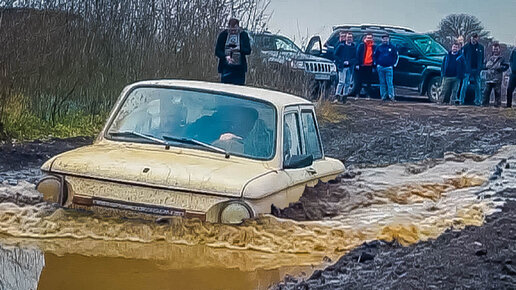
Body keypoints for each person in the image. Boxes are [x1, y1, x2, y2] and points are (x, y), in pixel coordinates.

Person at [215, 18, 251, 85]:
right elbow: (217, 51)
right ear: (228, 27)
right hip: (226, 68)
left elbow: (248, 50)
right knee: (225, 88)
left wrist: (239, 49)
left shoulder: (243, 35)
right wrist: (226, 57)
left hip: (239, 69)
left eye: (235, 30)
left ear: (238, 27)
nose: (233, 32)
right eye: (231, 30)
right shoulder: (223, 35)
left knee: (239, 89)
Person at [349, 33, 376, 99]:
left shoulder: (374, 47)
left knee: (368, 82)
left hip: (370, 66)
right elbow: (357, 55)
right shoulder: (361, 45)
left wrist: (374, 64)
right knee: (358, 81)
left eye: (370, 38)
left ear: (372, 39)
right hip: (361, 65)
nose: (369, 39)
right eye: (368, 38)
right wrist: (357, 64)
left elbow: (376, 56)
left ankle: (368, 95)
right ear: (365, 38)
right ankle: (357, 94)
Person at [460, 33, 484, 105]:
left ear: (477, 38)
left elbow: (482, 58)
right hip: (467, 69)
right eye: (473, 38)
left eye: (475, 38)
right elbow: (463, 58)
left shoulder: (481, 47)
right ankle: (461, 100)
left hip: (477, 69)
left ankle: (478, 101)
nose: (474, 39)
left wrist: (480, 67)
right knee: (464, 85)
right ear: (470, 38)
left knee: (478, 86)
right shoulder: (466, 47)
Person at [483, 43, 509, 107]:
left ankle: (497, 104)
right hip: (489, 77)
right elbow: (484, 65)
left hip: (497, 77)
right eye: (494, 49)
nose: (495, 51)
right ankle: (485, 104)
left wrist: (500, 68)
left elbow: (506, 66)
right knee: (486, 92)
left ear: (499, 49)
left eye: (496, 49)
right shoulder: (489, 57)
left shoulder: (502, 58)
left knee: (497, 92)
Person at [374, 34, 399, 101]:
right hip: (380, 67)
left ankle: (391, 97)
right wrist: (376, 64)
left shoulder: (392, 47)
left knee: (389, 83)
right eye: (384, 38)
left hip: (389, 67)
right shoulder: (379, 47)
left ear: (388, 39)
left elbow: (396, 56)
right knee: (382, 83)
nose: (385, 40)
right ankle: (383, 96)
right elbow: (375, 56)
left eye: (386, 38)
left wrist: (393, 64)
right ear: (381, 39)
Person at [334, 31, 357, 102]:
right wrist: (341, 62)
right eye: (348, 37)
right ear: (345, 38)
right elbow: (335, 55)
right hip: (342, 67)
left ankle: (345, 97)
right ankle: (337, 97)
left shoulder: (353, 48)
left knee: (348, 83)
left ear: (352, 39)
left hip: (350, 68)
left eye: (350, 37)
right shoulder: (341, 46)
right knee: (341, 82)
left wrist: (349, 62)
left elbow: (355, 58)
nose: (349, 39)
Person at [507, 40, 516, 108]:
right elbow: (510, 60)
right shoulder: (513, 51)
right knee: (509, 89)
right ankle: (508, 105)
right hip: (513, 73)